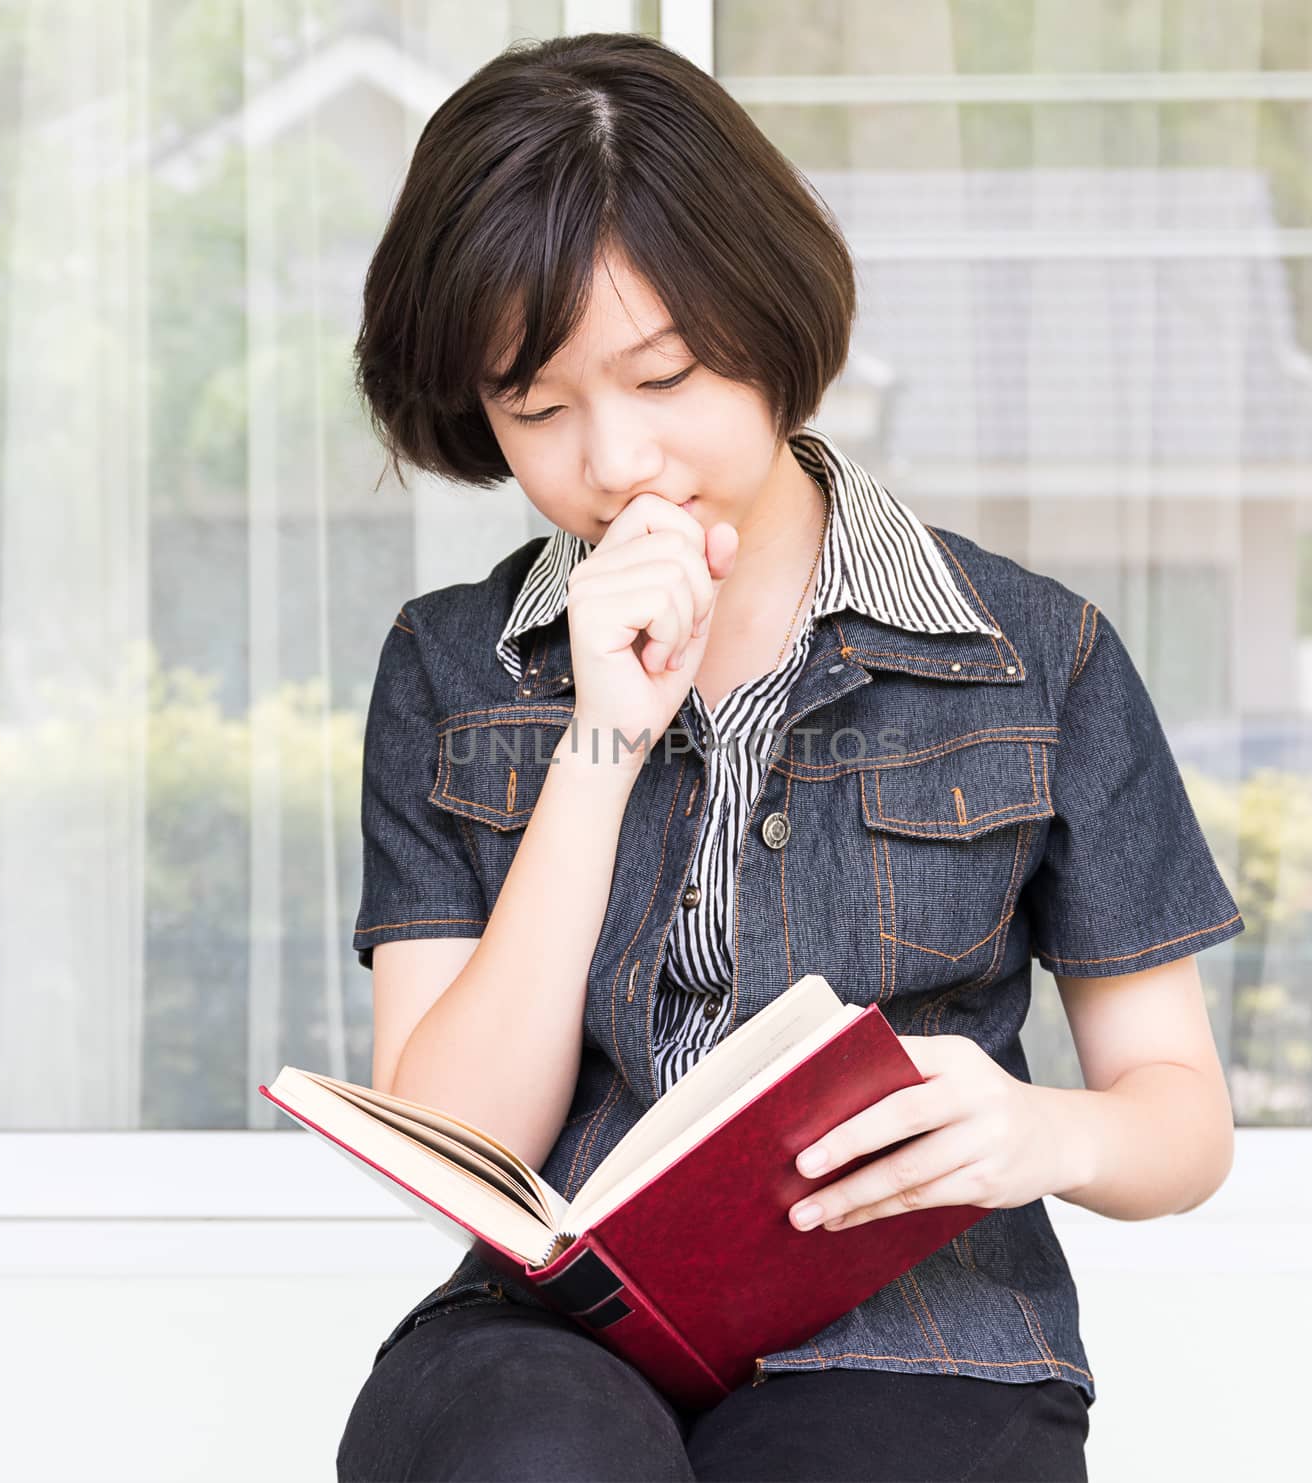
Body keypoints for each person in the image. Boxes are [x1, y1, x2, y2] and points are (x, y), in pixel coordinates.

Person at [337, 30, 1244, 1483]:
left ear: (767, 321)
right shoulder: (451, 668)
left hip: (922, 1336)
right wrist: (599, 743)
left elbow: (1183, 1122)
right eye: (538, 408)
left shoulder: (1034, 653)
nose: (616, 458)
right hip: (548, 1337)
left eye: (666, 374)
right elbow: (458, 1140)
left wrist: (1036, 1135)